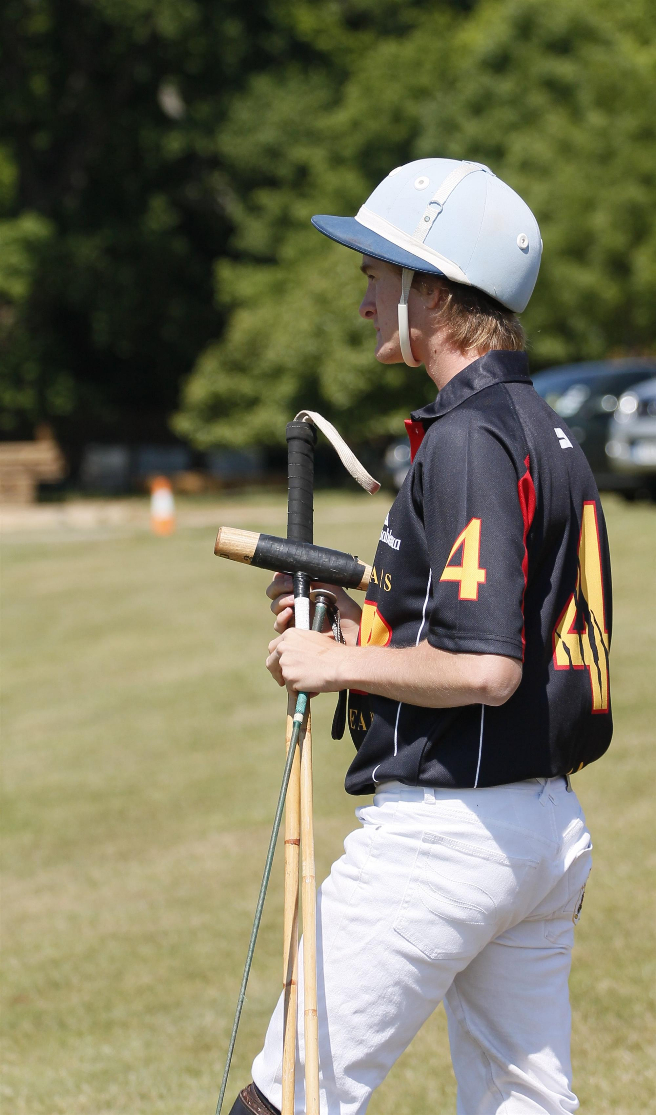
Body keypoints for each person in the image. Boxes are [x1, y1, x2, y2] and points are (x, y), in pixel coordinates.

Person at [229, 159, 612, 1115]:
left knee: (287, 1099)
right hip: (542, 827)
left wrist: (331, 661)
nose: (366, 303)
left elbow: (484, 665)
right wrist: (355, 620)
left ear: (433, 292)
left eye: (377, 276)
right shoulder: (541, 427)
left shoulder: (469, 437)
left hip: (449, 834)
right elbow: (483, 619)